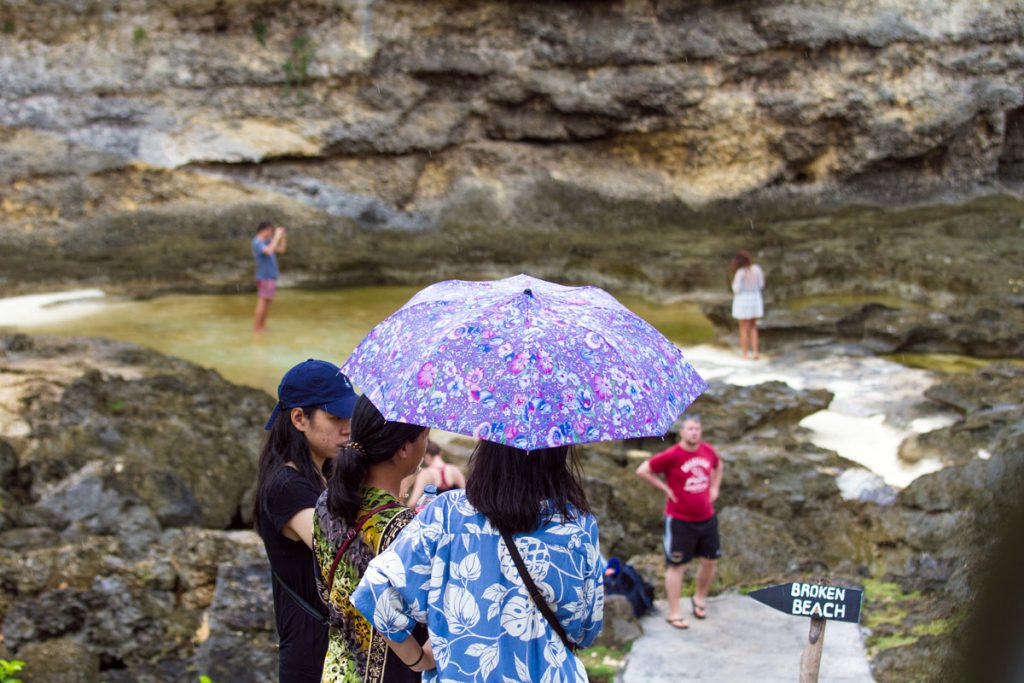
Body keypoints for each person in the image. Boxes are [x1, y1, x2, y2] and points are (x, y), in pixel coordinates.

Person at [351, 441, 605, 682]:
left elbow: (374, 592)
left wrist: (418, 659)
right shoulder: (576, 526)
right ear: (557, 453)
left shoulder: (446, 513)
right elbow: (586, 630)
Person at [252, 359, 359, 683]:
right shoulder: (287, 486)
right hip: (312, 653)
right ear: (299, 418)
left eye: (350, 415)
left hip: (332, 648)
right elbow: (342, 552)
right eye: (336, 417)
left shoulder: (323, 475)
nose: (348, 427)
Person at [312, 395, 431, 683]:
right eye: (425, 437)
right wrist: (422, 659)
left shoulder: (327, 502)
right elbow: (427, 613)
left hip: (337, 669)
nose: (426, 446)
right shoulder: (405, 526)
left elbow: (323, 587)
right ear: (404, 448)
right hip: (390, 673)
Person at [635, 415, 723, 630]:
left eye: (697, 429)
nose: (694, 432)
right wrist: (665, 489)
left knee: (710, 561)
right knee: (676, 566)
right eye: (690, 429)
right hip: (680, 520)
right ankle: (674, 612)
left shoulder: (708, 451)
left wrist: (714, 488)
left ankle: (699, 599)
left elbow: (718, 466)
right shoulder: (672, 455)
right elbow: (643, 470)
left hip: (707, 518)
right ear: (682, 432)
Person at [404, 439, 465, 509]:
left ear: (427, 455)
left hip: (434, 517)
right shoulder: (455, 470)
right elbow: (465, 496)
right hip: (453, 515)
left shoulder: (425, 474)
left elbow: (412, 503)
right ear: (440, 453)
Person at [252, 220, 287, 333]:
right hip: (264, 277)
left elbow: (281, 250)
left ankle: (262, 327)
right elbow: (268, 251)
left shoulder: (266, 242)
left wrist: (282, 237)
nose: (271, 234)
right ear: (263, 230)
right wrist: (276, 237)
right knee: (262, 302)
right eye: (270, 231)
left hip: (270, 277)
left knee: (267, 303)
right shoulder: (257, 242)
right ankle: (257, 328)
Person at [729, 250, 765, 359]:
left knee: (743, 328)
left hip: (742, 301)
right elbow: (761, 285)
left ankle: (745, 354)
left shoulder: (740, 272)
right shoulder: (757, 269)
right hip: (755, 299)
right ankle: (755, 352)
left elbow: (736, 289)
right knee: (753, 326)